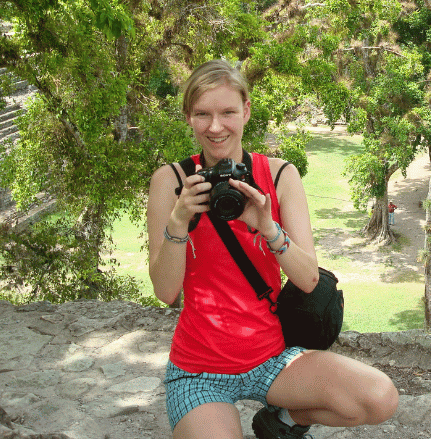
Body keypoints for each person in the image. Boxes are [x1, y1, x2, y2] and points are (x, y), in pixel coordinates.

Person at [147, 60, 399, 439]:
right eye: (203, 114)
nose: (216, 127)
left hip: (271, 357)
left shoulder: (280, 175)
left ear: (246, 110)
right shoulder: (171, 181)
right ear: (189, 117)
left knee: (380, 398)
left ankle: (282, 421)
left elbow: (309, 278)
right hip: (199, 368)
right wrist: (179, 219)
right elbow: (166, 294)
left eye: (228, 112)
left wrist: (268, 227)